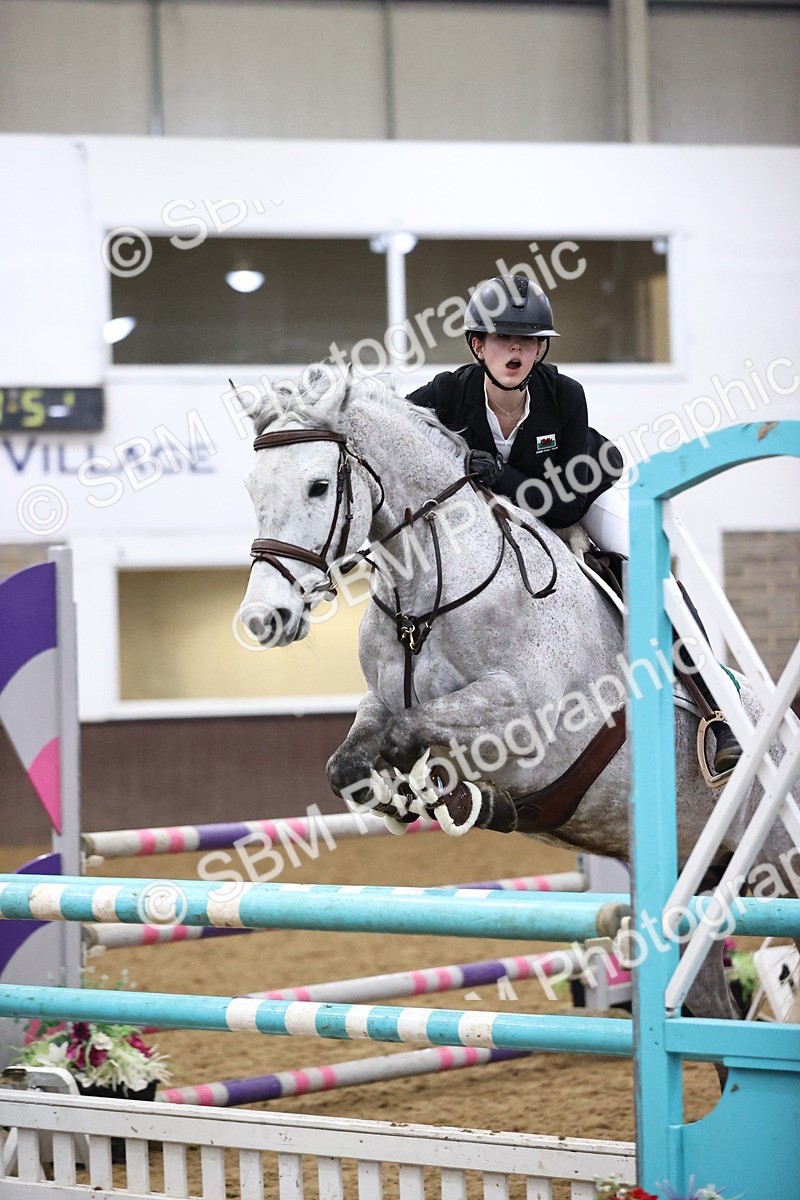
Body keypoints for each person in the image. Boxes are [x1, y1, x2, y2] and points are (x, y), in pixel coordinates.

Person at [407, 273, 741, 776]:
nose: (517, 350)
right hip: (503, 510)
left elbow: (563, 509)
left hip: (581, 495)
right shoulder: (446, 393)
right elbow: (394, 434)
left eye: (530, 341)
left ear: (540, 351)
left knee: (639, 556)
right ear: (478, 345)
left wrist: (502, 476)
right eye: (504, 339)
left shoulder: (564, 395)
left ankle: (718, 711)